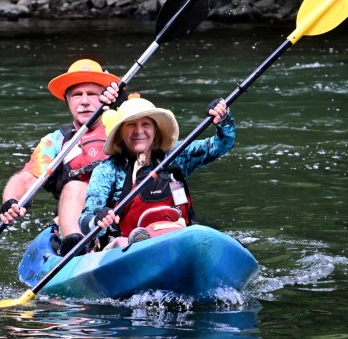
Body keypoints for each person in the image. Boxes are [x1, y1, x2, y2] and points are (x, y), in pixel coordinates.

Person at [0, 58, 125, 255]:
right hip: (83, 222)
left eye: (92, 94)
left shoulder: (125, 127)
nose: (84, 101)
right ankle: (78, 246)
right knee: (76, 186)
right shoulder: (56, 142)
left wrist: (124, 105)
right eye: (77, 95)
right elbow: (26, 179)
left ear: (105, 97)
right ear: (67, 101)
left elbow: (153, 146)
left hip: (123, 212)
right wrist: (11, 202)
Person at [78, 95, 234, 249]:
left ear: (155, 130)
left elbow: (222, 144)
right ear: (120, 133)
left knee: (186, 233)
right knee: (121, 243)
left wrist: (224, 118)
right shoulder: (108, 170)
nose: (139, 131)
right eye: (131, 125)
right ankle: (139, 243)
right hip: (124, 250)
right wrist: (98, 220)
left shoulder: (175, 157)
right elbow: (86, 220)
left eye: (145, 124)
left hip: (177, 239)